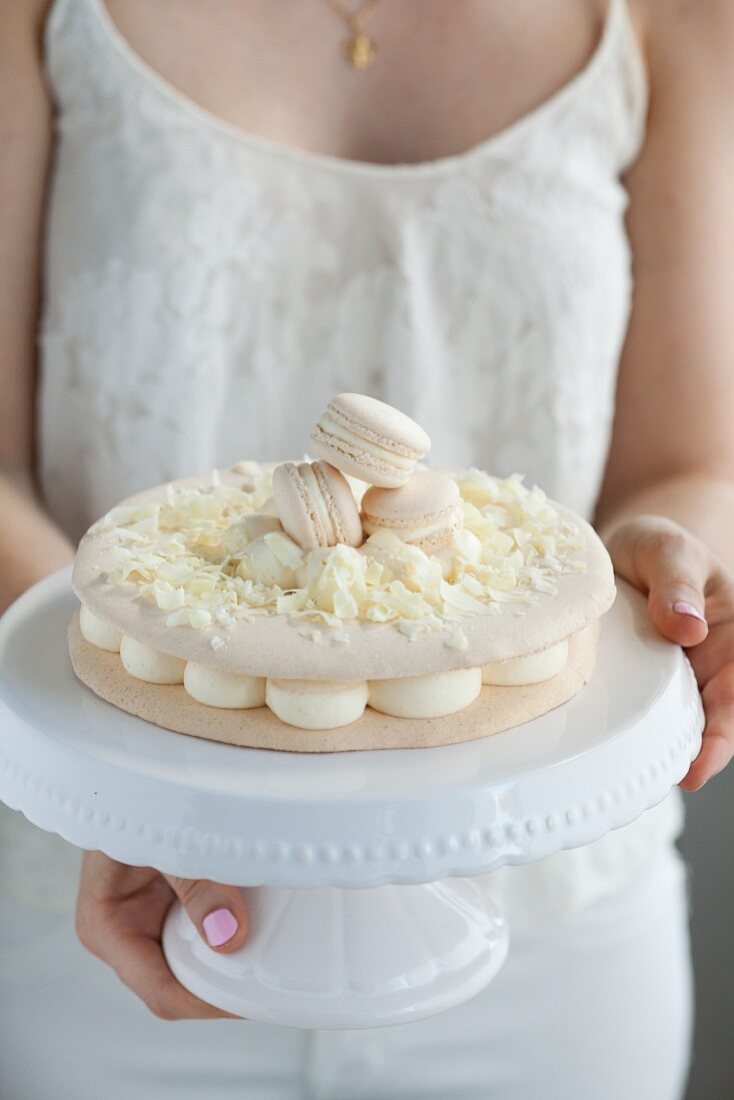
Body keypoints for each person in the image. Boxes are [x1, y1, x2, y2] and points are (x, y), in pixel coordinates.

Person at [1, 1, 733, 1096]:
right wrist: (131, 785)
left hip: (548, 928)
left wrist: (676, 555)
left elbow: (686, 459)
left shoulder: (678, 18)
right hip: (107, 909)